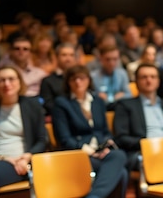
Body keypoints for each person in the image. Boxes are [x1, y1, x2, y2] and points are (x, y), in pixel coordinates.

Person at [52, 65, 128, 198]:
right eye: (73, 79)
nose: (78, 82)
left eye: (81, 78)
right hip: (78, 154)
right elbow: (64, 139)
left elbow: (105, 131)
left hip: (99, 152)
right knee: (121, 171)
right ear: (68, 82)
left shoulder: (97, 101)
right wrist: (90, 151)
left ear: (88, 80)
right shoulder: (61, 103)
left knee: (118, 156)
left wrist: (106, 147)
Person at [0, 66, 46, 197]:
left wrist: (27, 157)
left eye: (11, 79)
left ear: (20, 82)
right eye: (1, 80)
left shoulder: (32, 105)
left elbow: (42, 140)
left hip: (22, 164)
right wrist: (0, 157)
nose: (7, 84)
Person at [113, 63, 163, 171]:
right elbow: (121, 138)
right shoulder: (125, 105)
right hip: (143, 152)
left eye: (153, 77)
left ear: (158, 81)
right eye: (144, 77)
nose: (149, 81)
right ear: (136, 81)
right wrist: (147, 144)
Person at [39, 43, 78, 116]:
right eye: (64, 55)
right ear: (57, 57)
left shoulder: (82, 79)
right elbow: (48, 104)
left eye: (71, 55)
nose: (68, 59)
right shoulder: (47, 81)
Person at [90, 45, 132, 110]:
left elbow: (129, 94)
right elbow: (89, 95)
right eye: (108, 59)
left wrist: (122, 95)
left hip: (119, 107)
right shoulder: (93, 76)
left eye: (115, 59)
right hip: (100, 107)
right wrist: (97, 95)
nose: (111, 63)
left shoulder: (122, 74)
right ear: (101, 59)